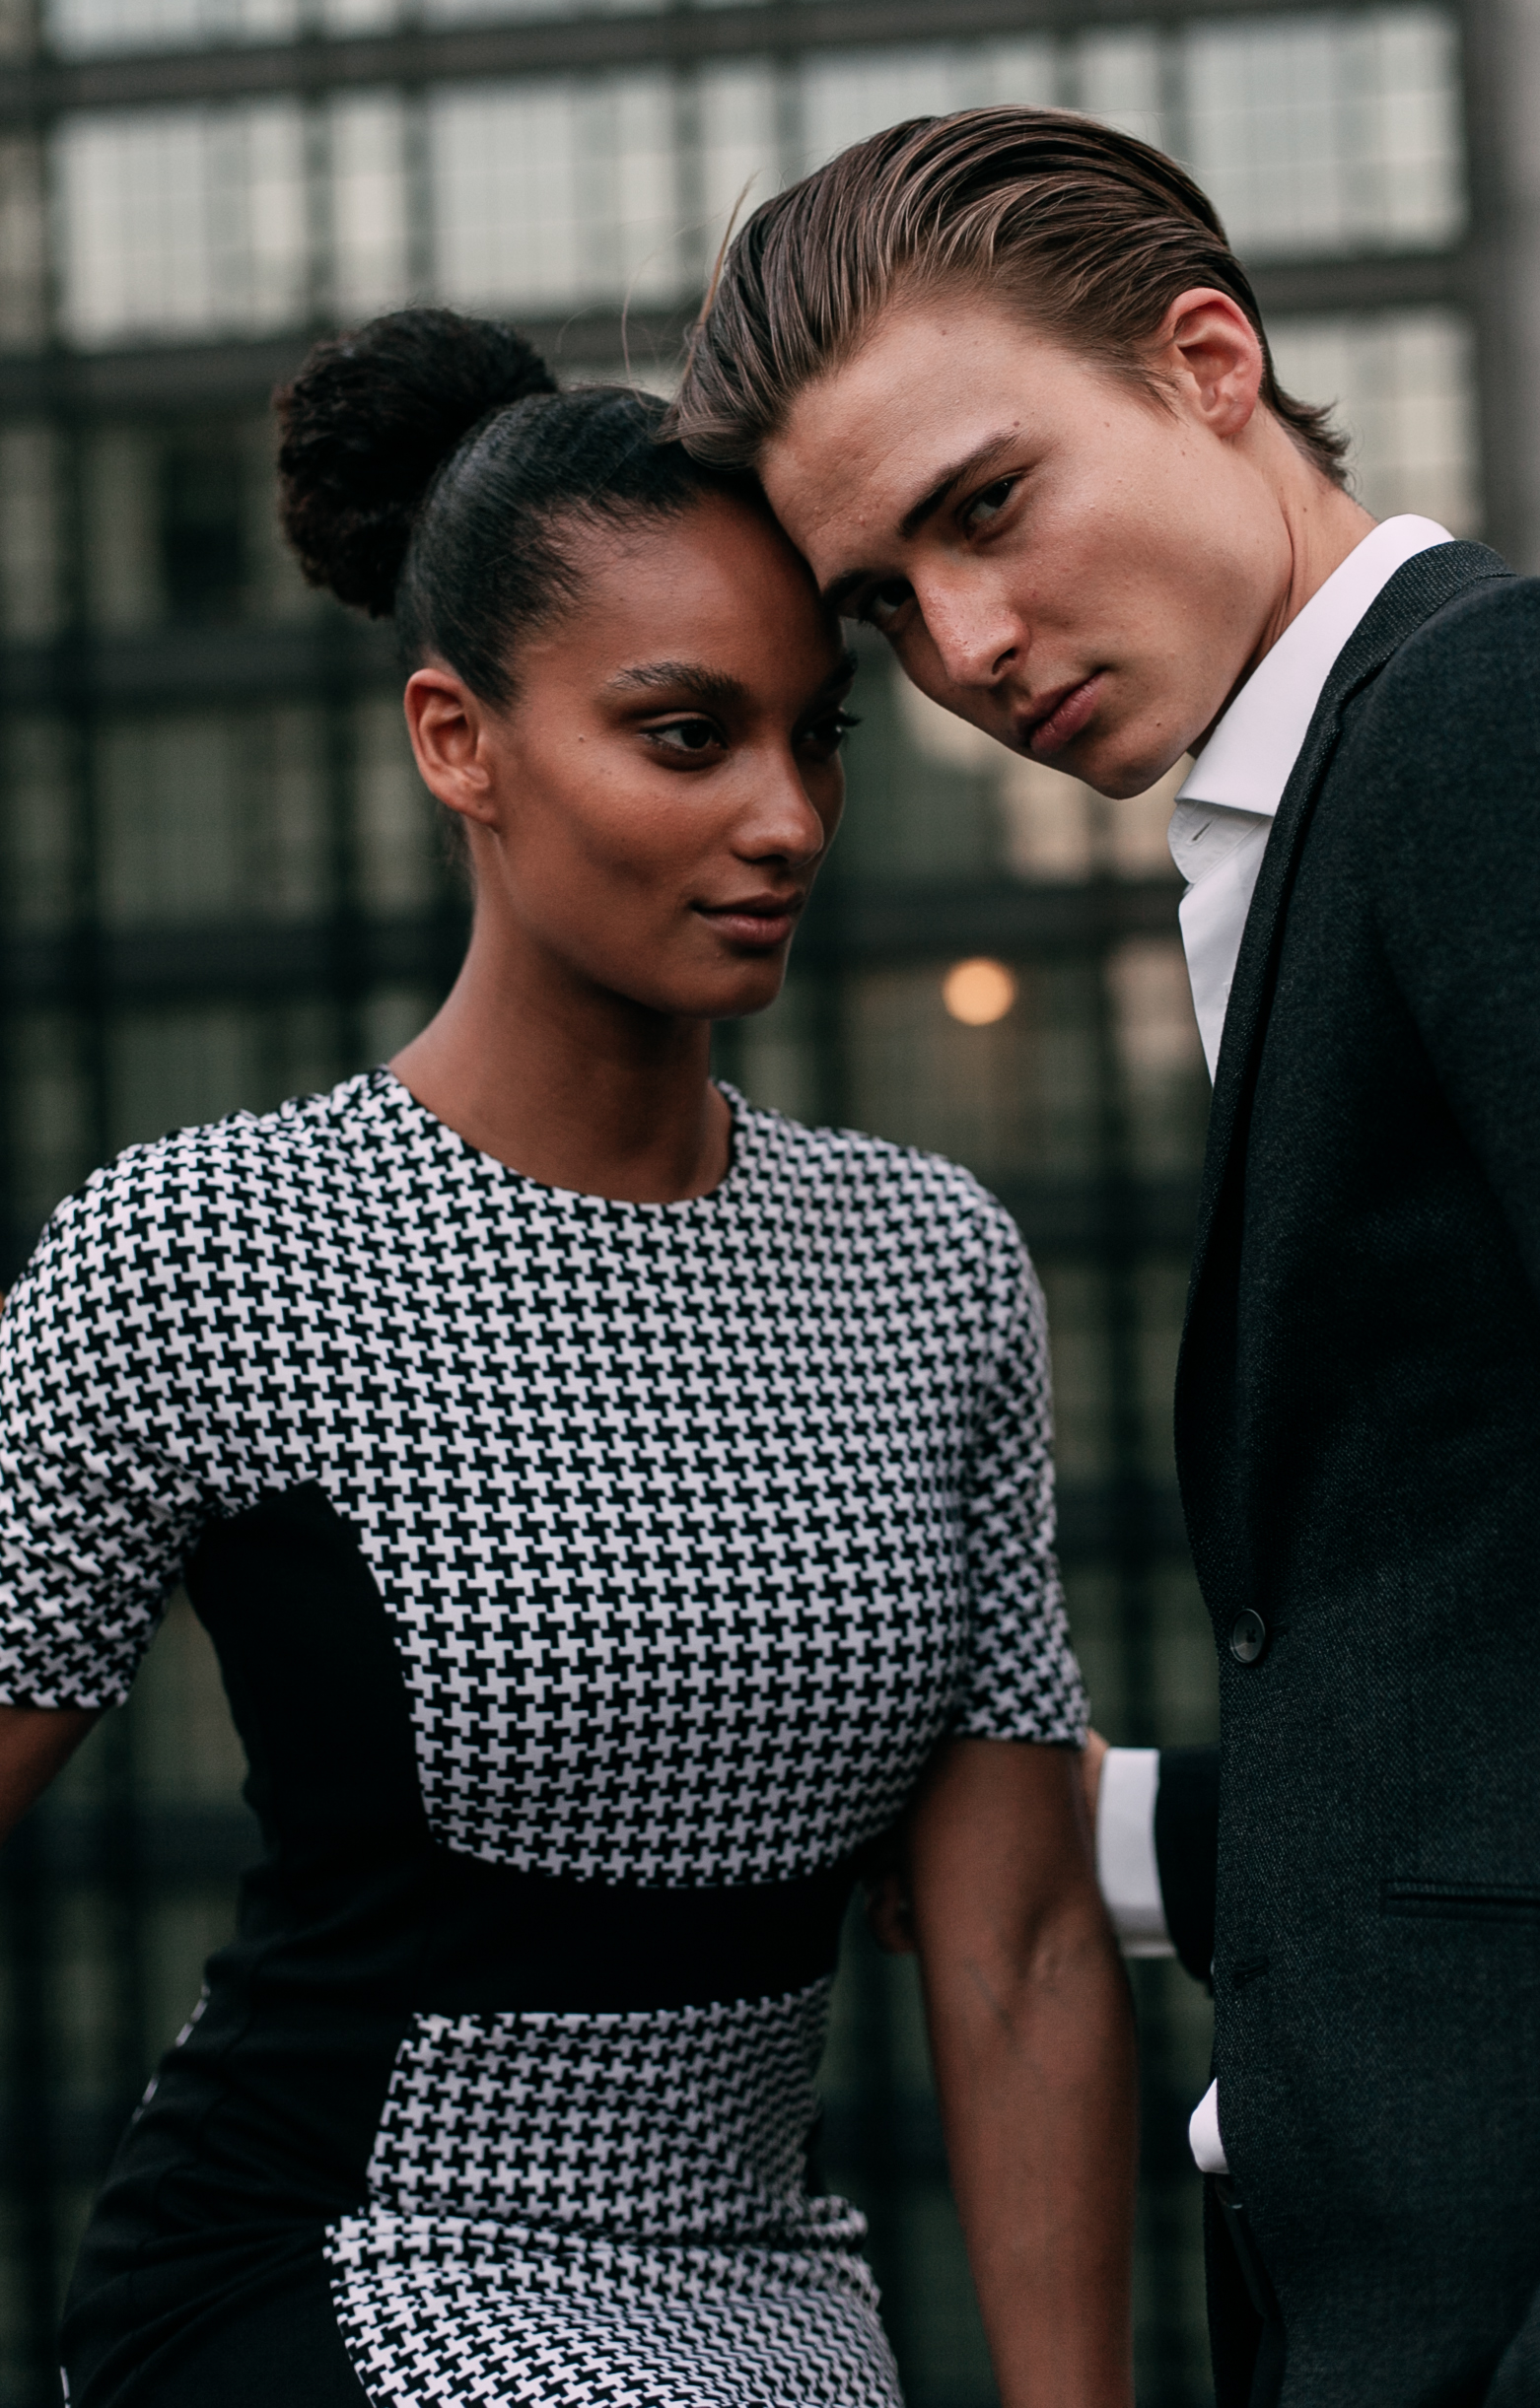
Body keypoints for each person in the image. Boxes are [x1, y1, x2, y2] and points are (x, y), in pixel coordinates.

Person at [0, 309, 1138, 2408]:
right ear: (458, 739)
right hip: (328, 2256)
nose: (786, 815)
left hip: (776, 2292)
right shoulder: (200, 1247)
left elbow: (1021, 1953)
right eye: (685, 732)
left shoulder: (930, 1263)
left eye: (817, 736)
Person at [669, 103, 1540, 2408]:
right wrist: (1106, 1827)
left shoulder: (1491, 721)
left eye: (985, 507)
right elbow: (1496, 1627)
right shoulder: (1297, 821)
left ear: (1205, 361)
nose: (967, 644)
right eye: (881, 599)